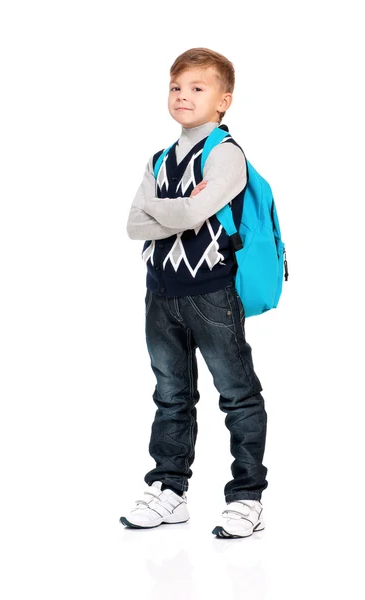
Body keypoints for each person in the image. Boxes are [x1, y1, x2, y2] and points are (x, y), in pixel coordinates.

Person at [120, 48, 268, 539]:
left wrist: (169, 210)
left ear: (224, 100)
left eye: (197, 89)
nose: (183, 96)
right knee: (171, 395)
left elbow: (181, 217)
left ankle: (247, 497)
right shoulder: (160, 159)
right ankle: (169, 489)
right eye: (176, 88)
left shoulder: (227, 155)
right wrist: (180, 208)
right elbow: (131, 225)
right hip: (160, 291)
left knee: (238, 394)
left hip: (212, 295)